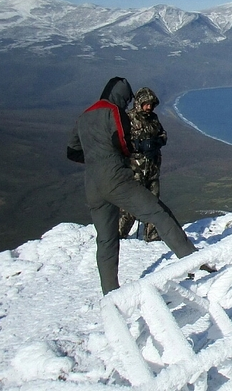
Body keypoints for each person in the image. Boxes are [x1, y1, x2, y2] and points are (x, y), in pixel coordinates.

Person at [67, 77, 211, 295]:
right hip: (115, 178)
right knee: (158, 212)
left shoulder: (85, 115)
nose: (126, 103)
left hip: (92, 185)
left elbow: (72, 151)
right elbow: (123, 143)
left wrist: (96, 158)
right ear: (120, 95)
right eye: (126, 98)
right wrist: (115, 157)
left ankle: (110, 292)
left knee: (106, 239)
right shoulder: (114, 112)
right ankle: (195, 262)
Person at [118, 87, 168, 242]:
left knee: (154, 202)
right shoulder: (128, 118)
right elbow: (120, 141)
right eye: (146, 104)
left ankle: (152, 234)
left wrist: (157, 142)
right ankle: (120, 233)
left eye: (151, 104)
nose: (149, 107)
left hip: (152, 170)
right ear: (139, 103)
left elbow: (163, 134)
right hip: (135, 170)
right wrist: (138, 145)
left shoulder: (153, 118)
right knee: (131, 204)